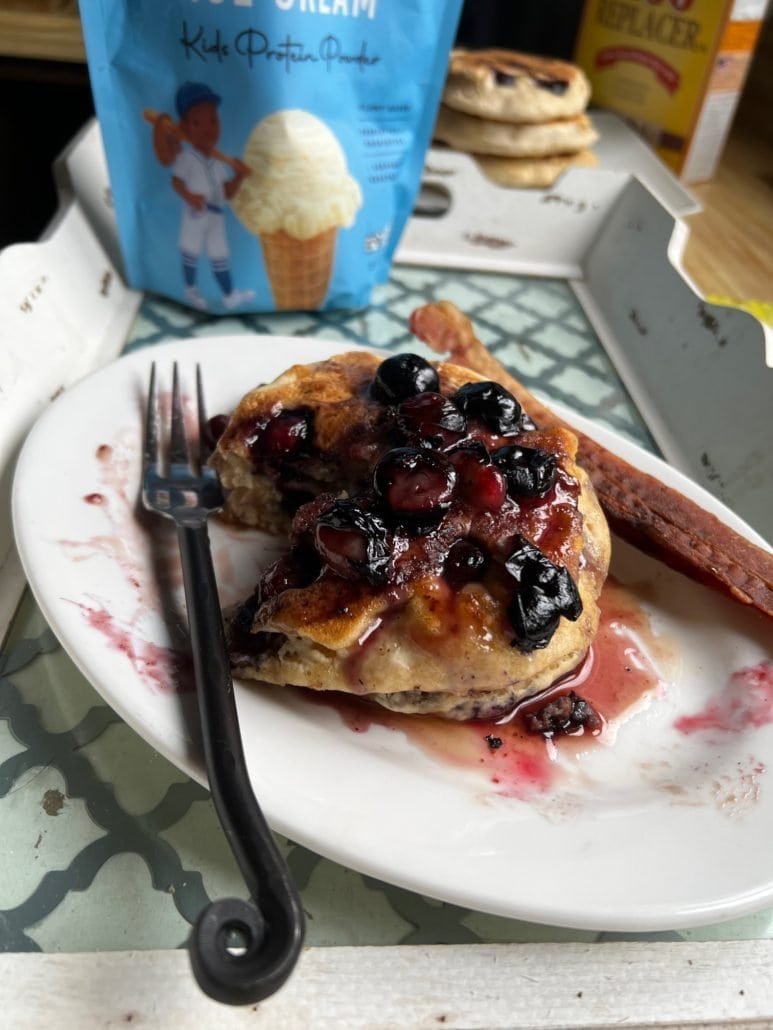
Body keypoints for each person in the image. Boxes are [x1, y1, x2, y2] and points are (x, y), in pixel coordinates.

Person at [170, 81, 254, 311]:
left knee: (220, 255)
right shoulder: (187, 158)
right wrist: (189, 196)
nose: (208, 128)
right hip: (196, 212)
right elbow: (176, 182)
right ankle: (190, 291)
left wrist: (239, 177)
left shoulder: (218, 163)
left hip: (217, 215)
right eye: (198, 122)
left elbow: (227, 193)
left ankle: (230, 295)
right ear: (184, 128)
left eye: (213, 121)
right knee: (191, 251)